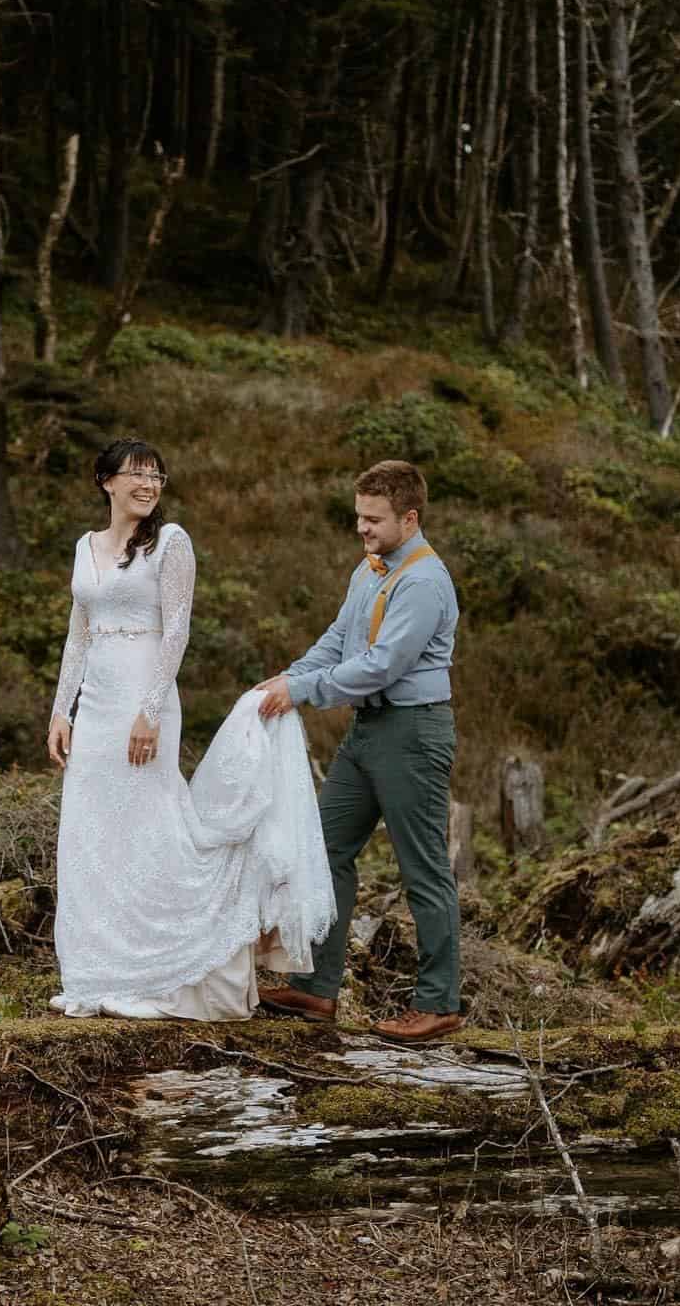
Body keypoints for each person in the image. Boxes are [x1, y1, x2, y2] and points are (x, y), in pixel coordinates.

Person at [46, 438, 334, 1020]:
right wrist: (61, 709)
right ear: (106, 482)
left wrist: (150, 709)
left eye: (157, 476)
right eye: (137, 475)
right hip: (96, 704)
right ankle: (101, 967)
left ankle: (171, 965)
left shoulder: (171, 543)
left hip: (143, 696)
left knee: (150, 822)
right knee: (95, 830)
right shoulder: (86, 547)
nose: (149, 485)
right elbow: (79, 633)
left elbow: (176, 631)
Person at [256, 459, 463, 1044]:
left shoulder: (424, 582)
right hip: (368, 734)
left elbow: (379, 668)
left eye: (373, 519)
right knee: (324, 849)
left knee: (422, 867)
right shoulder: (369, 569)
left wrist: (301, 692)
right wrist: (288, 677)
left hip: (412, 734)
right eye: (358, 517)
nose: (362, 529)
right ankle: (316, 987)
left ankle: (438, 1002)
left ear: (409, 517)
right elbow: (337, 641)